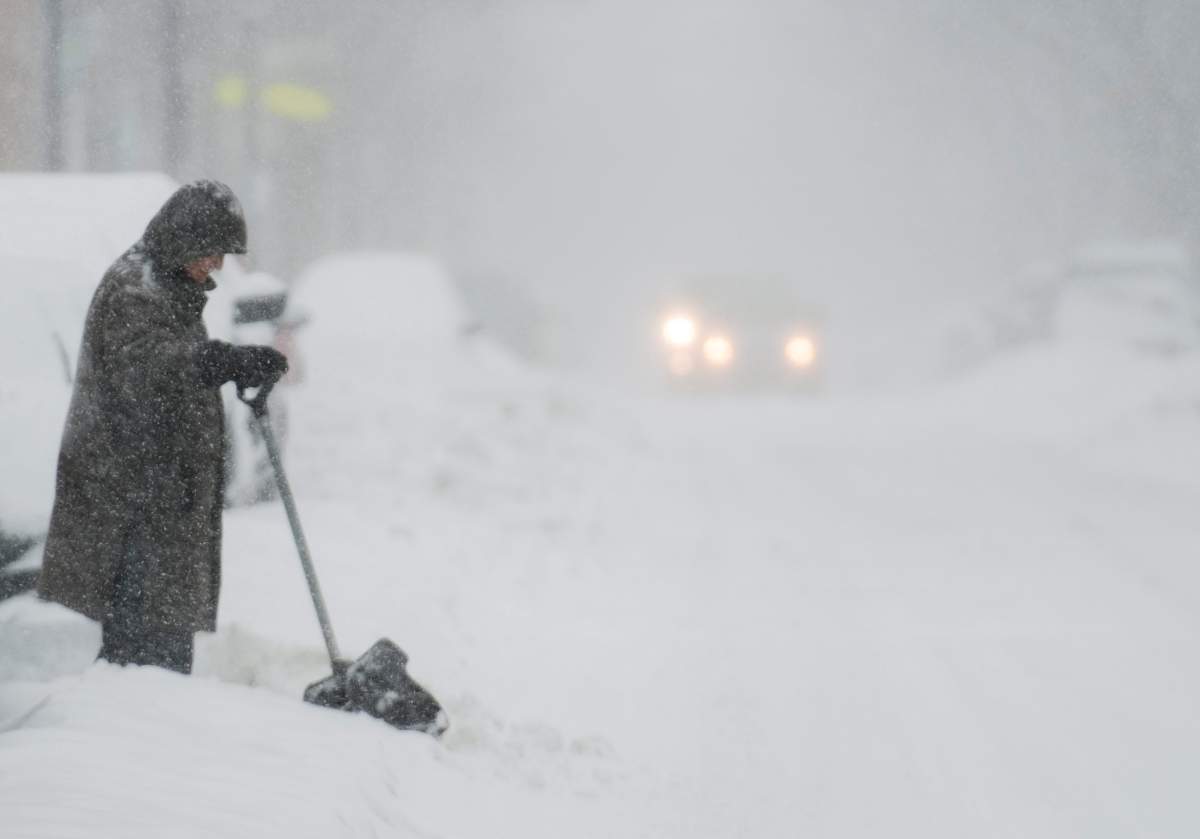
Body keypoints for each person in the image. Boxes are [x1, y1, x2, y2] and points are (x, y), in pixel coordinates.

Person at [38, 180, 289, 675]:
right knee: (142, 666)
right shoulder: (135, 289)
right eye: (214, 251)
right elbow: (151, 369)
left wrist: (228, 364)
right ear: (186, 241)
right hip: (131, 514)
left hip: (154, 509)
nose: (218, 265)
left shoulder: (167, 285)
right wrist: (220, 360)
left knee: (157, 657)